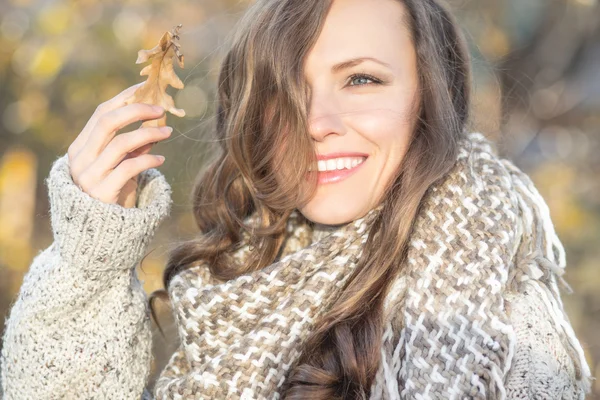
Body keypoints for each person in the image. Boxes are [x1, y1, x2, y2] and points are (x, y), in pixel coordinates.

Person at [1, 0, 593, 398]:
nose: (316, 122)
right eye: (287, 89)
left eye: (361, 79)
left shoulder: (508, 335)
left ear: (429, 98)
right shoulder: (237, 278)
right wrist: (89, 266)